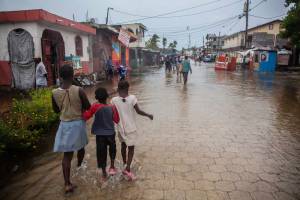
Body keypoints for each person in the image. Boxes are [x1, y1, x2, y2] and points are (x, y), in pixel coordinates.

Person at [52, 65, 91, 194]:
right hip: (78, 124)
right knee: (81, 147)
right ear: (72, 75)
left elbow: (56, 110)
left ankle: (67, 184)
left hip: (64, 125)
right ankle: (79, 166)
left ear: (60, 77)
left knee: (67, 156)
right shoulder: (79, 90)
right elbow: (88, 106)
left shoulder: (54, 92)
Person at [111, 80, 153, 180]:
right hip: (131, 128)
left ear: (118, 89)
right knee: (131, 148)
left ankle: (125, 162)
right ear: (128, 88)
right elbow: (138, 111)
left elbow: (111, 113)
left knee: (123, 145)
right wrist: (148, 115)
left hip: (120, 128)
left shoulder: (114, 100)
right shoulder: (132, 98)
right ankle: (128, 168)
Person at [83, 87, 120, 180]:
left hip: (100, 135)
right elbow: (117, 120)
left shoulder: (95, 106)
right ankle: (112, 167)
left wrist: (81, 111)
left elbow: (86, 116)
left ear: (96, 97)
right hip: (111, 133)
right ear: (107, 97)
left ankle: (104, 173)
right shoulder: (112, 107)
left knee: (101, 153)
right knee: (112, 150)